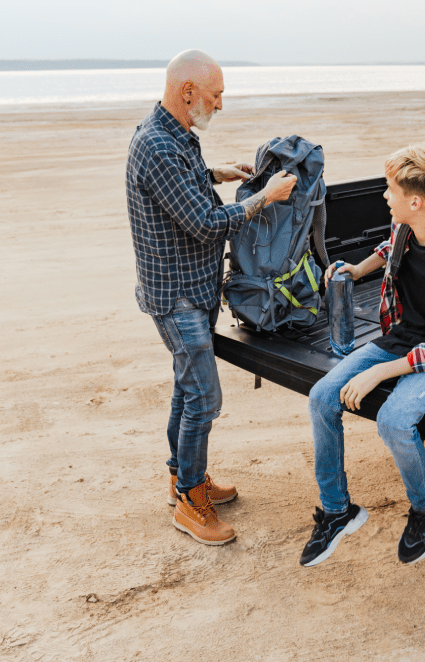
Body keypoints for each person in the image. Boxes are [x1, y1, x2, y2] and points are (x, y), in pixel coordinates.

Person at [126, 50, 297, 546]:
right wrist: (264, 198)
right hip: (176, 297)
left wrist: (214, 174)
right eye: (215, 94)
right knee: (204, 396)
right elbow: (203, 223)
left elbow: (184, 189)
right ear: (187, 92)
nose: (221, 105)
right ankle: (188, 503)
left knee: (187, 389)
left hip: (190, 290)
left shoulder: (175, 136)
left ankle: (186, 480)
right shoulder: (158, 146)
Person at [299, 143, 425, 567]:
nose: (384, 196)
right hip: (403, 338)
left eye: (390, 189)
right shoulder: (407, 227)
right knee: (321, 397)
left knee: (394, 419)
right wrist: (356, 269)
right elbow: (389, 252)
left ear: (415, 200)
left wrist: (378, 374)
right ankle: (337, 511)